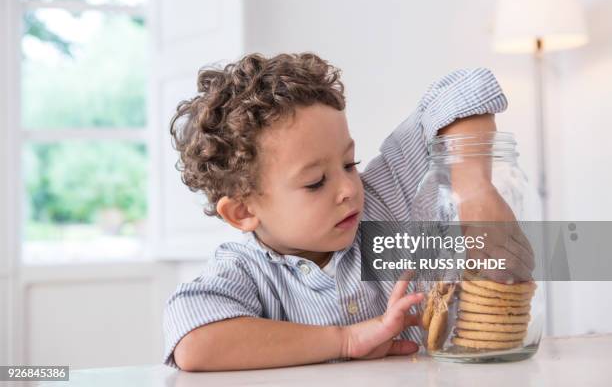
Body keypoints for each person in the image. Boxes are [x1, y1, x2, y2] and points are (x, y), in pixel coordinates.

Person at [163, 52, 514, 371]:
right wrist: (346, 340)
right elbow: (195, 342)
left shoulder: (383, 196)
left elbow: (466, 88)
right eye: (316, 182)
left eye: (349, 163)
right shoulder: (244, 270)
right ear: (242, 211)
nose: (348, 188)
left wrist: (474, 189)